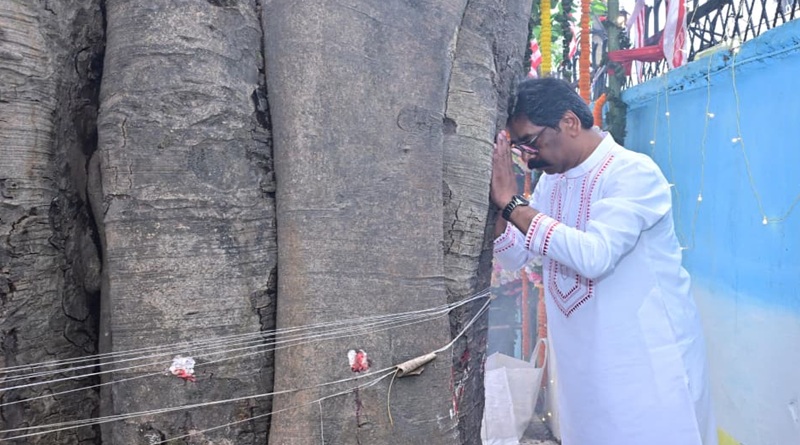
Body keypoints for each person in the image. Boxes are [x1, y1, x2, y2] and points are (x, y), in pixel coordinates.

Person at [490, 77, 717, 445]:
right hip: (584, 363)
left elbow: (595, 256)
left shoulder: (632, 173)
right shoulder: (553, 183)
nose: (527, 157)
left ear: (569, 123)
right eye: (518, 148)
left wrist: (513, 203)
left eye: (530, 142)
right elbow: (515, 253)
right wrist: (501, 205)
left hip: (644, 361)